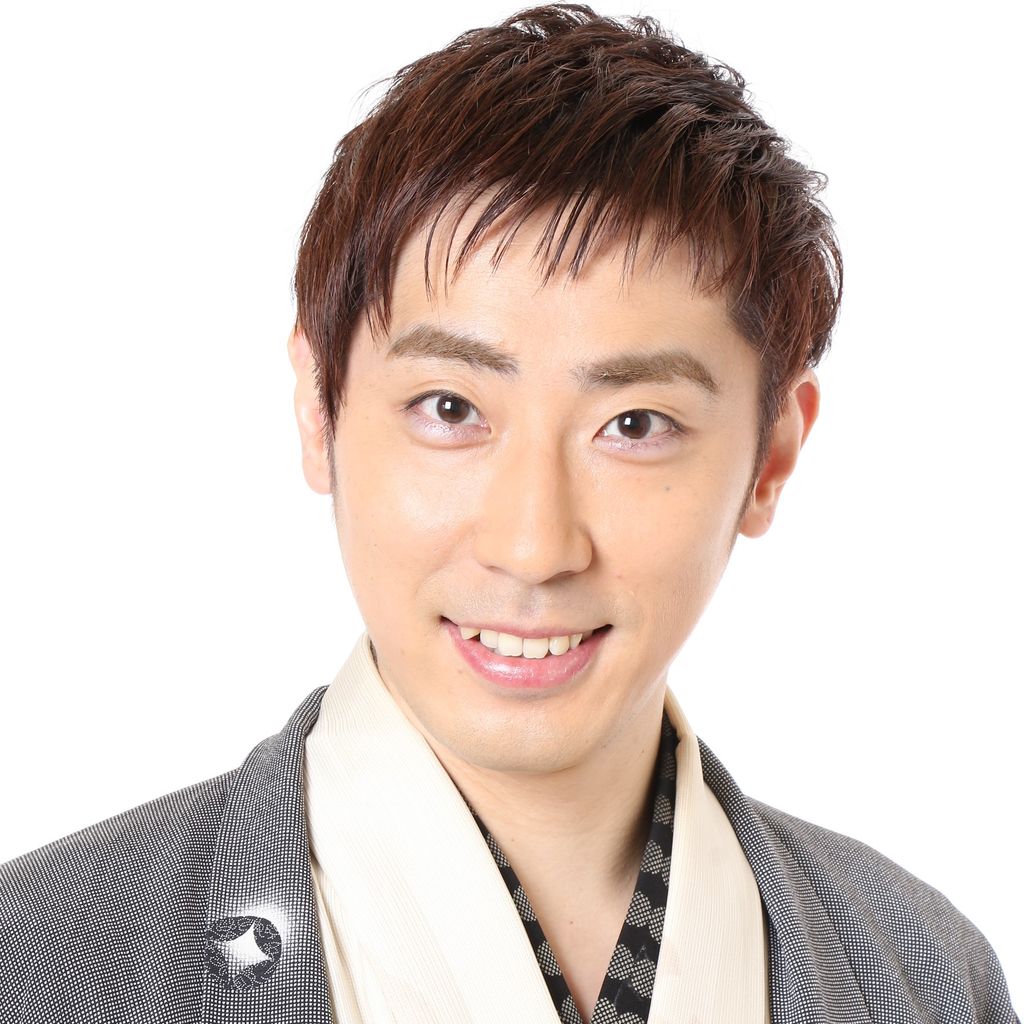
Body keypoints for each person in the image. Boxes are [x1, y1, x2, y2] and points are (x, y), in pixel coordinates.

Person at [0, 4, 1017, 1022]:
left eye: (635, 424)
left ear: (771, 457)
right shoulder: (38, 959)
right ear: (318, 408)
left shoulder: (927, 976)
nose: (533, 547)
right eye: (449, 409)